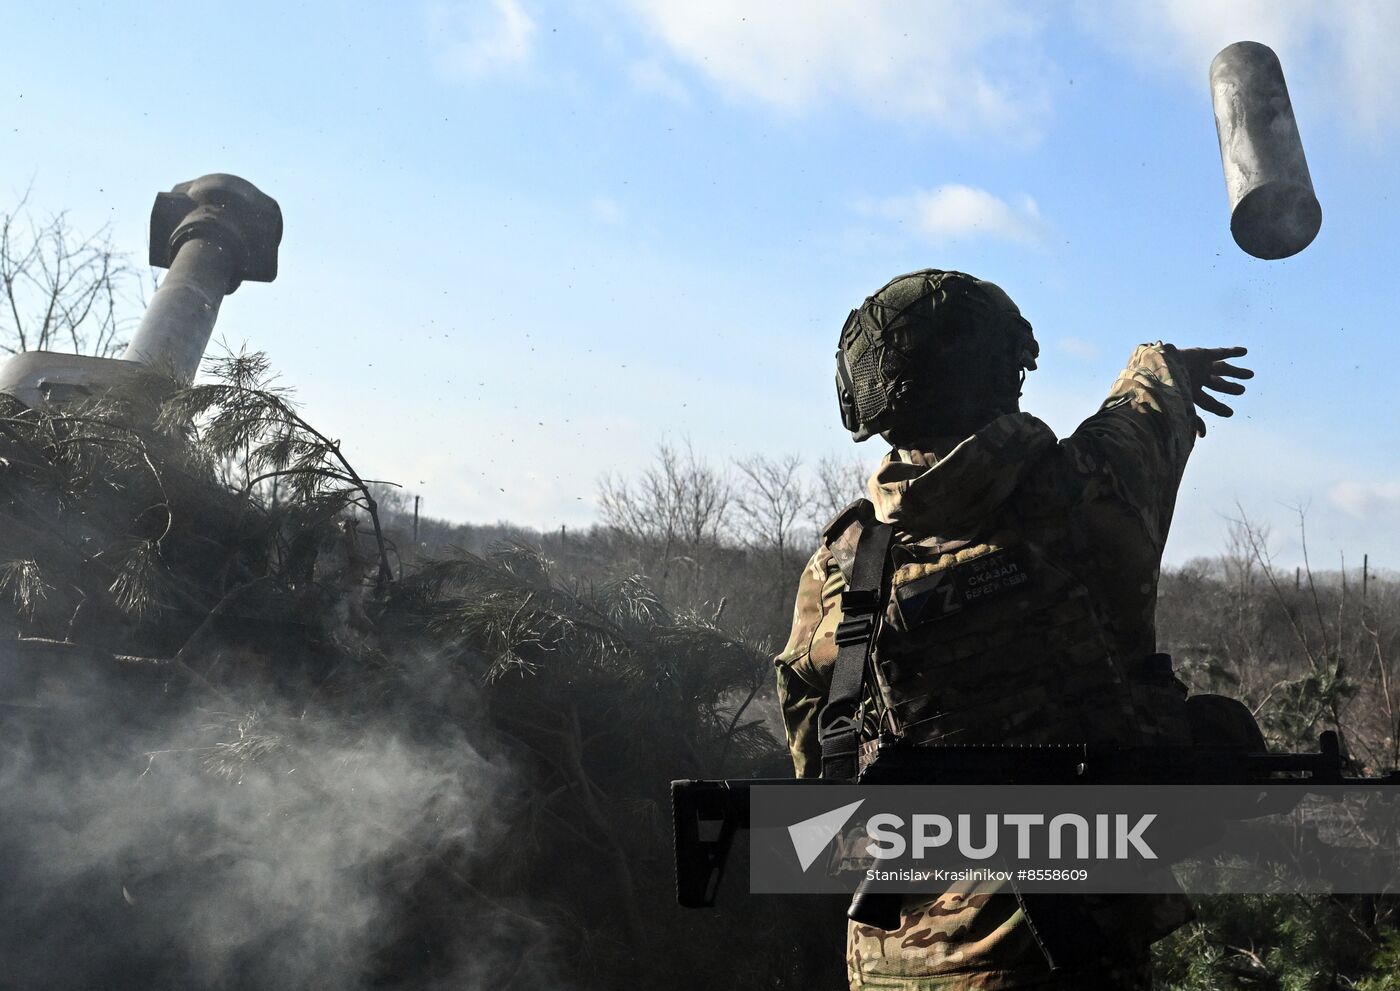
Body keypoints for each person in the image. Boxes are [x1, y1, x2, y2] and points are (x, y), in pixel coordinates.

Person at [774, 268, 1253, 990]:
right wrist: (1166, 363)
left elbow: (820, 780)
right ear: (1004, 376)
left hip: (894, 963)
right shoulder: (1090, 488)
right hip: (1071, 957)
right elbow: (1145, 406)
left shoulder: (840, 571)